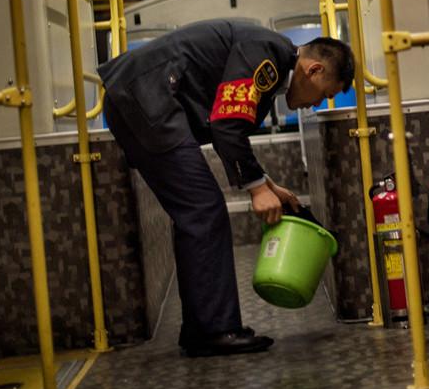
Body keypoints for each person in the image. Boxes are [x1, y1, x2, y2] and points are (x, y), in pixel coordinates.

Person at [99, 19, 354, 357]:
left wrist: (267, 184)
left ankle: (203, 328)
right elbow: (227, 124)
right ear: (314, 69)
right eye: (325, 94)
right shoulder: (268, 55)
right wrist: (257, 189)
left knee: (198, 210)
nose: (317, 103)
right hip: (147, 98)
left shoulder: (272, 63)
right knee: (203, 210)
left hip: (141, 99)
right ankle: (213, 330)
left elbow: (231, 126)